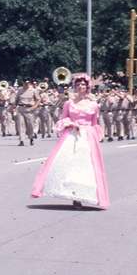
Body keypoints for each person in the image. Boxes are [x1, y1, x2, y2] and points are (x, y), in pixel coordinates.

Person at [31, 74, 110, 209]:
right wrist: (72, 124)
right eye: (78, 85)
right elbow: (63, 119)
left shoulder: (94, 105)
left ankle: (87, 194)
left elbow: (94, 123)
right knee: (69, 164)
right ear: (75, 87)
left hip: (87, 137)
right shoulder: (69, 103)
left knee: (86, 166)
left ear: (87, 87)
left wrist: (93, 135)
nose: (81, 87)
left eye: (83, 85)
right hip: (72, 134)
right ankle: (73, 195)